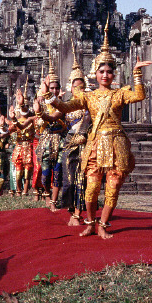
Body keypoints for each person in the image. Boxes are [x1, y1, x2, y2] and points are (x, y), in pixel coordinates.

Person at [41, 17, 152, 238]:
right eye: (101, 71)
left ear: (114, 74)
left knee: (113, 187)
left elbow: (139, 95)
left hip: (116, 144)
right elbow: (63, 106)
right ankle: (91, 222)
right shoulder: (87, 97)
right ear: (95, 72)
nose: (105, 75)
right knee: (91, 189)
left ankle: (103, 224)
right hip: (95, 144)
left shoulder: (119, 94)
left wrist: (137, 73)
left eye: (109, 71)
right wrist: (47, 94)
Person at [58, 43, 91, 226]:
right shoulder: (67, 105)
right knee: (69, 179)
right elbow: (53, 116)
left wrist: (85, 135)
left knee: (81, 179)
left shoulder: (89, 104)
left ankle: (78, 213)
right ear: (70, 88)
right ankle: (72, 210)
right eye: (75, 86)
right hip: (69, 143)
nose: (78, 90)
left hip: (85, 142)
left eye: (81, 86)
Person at [33, 50, 68, 212]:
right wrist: (39, 109)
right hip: (46, 142)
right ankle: (46, 193)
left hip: (60, 141)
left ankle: (54, 201)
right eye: (51, 88)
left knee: (58, 171)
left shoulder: (62, 105)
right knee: (46, 174)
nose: (53, 91)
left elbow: (53, 117)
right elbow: (37, 121)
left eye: (56, 88)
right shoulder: (40, 104)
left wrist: (42, 112)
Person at [8, 79, 38, 196]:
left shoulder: (31, 118)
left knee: (27, 172)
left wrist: (22, 105)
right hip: (19, 146)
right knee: (19, 172)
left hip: (29, 146)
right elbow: (9, 131)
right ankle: (19, 190)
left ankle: (25, 191)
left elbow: (26, 112)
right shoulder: (16, 120)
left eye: (24, 106)